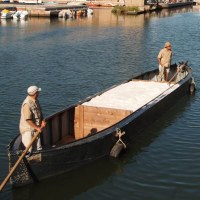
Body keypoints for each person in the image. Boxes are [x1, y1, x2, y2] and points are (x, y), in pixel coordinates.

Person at [19, 85, 46, 155]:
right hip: (29, 131)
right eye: (38, 92)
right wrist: (37, 127)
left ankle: (38, 161)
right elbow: (28, 120)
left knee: (38, 149)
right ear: (35, 93)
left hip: (35, 129)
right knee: (30, 149)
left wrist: (42, 120)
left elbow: (40, 112)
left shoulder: (35, 101)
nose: (39, 93)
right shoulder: (27, 104)